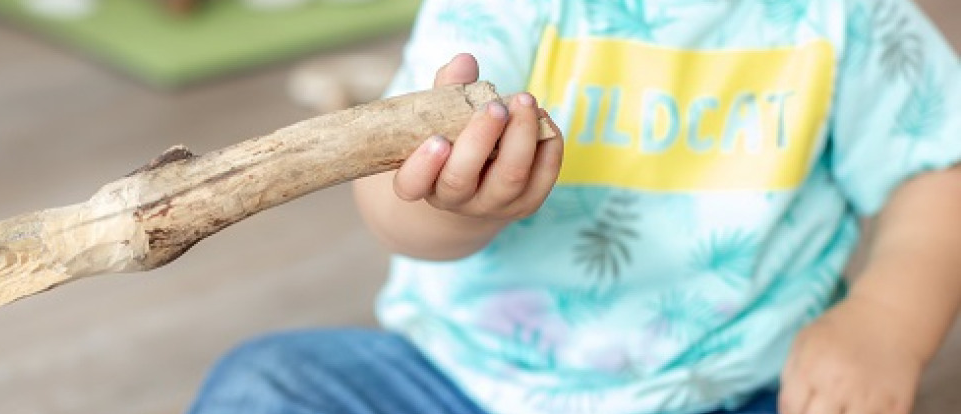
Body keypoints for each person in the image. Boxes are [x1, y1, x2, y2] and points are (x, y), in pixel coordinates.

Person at [189, 1, 961, 413]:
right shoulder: (506, 7)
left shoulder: (850, 15)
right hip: (463, 383)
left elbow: (936, 171)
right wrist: (454, 204)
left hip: (735, 386)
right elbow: (392, 199)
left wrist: (884, 324)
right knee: (266, 387)